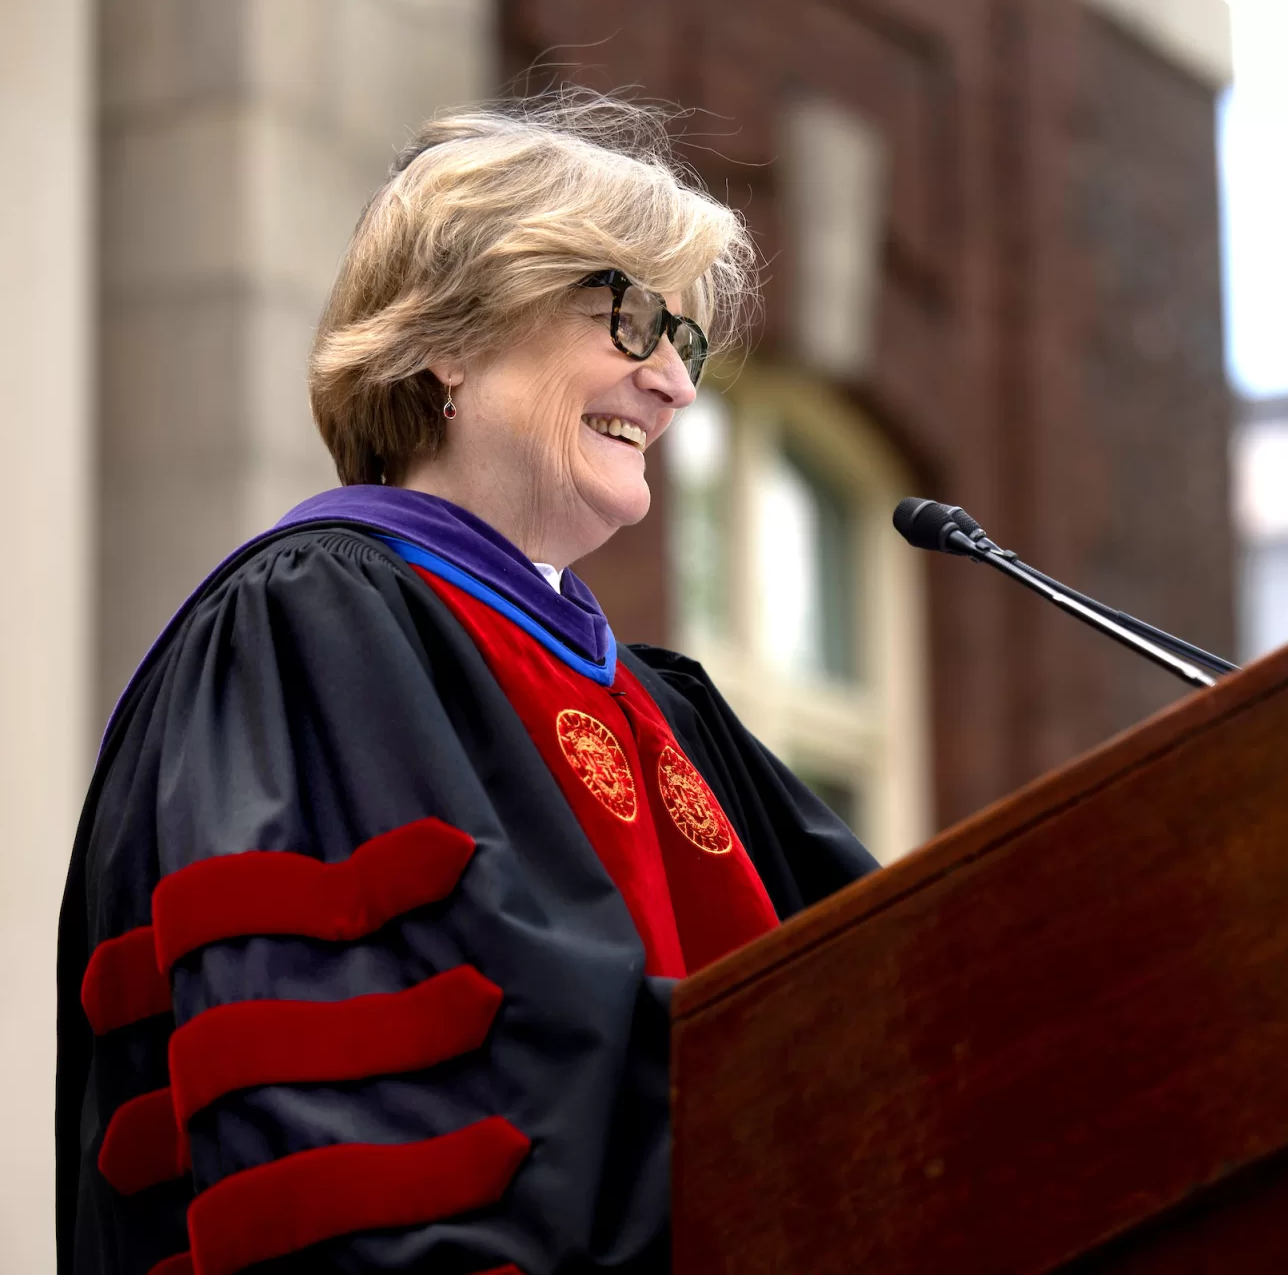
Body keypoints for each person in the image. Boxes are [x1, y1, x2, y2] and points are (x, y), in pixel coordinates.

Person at [55, 91, 877, 1275]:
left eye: (685, 339)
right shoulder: (309, 633)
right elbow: (355, 1130)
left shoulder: (672, 712)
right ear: (448, 332)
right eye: (631, 318)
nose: (676, 386)